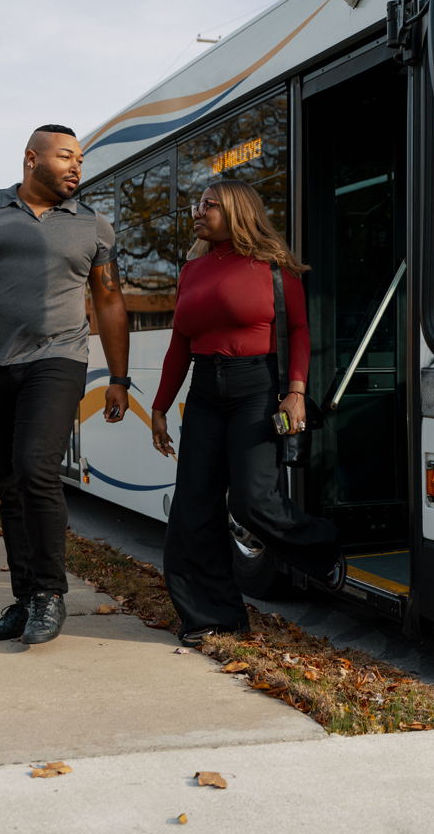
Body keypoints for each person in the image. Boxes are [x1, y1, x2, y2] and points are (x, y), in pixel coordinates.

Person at [0, 124, 130, 646]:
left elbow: (108, 302)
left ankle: (49, 596)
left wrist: (119, 377)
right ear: (31, 159)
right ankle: (23, 598)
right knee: (10, 483)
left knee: (37, 467)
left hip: (57, 359)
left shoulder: (93, 226)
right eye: (65, 156)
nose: (77, 167)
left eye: (80, 159)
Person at [150, 178, 343, 647]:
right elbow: (180, 342)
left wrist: (295, 392)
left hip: (255, 389)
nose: (198, 212)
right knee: (192, 510)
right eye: (197, 204)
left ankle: (323, 546)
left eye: (209, 205)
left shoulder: (273, 266)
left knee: (251, 502)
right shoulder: (191, 269)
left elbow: (298, 330)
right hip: (203, 391)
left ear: (237, 210)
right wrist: (159, 405)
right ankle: (213, 618)